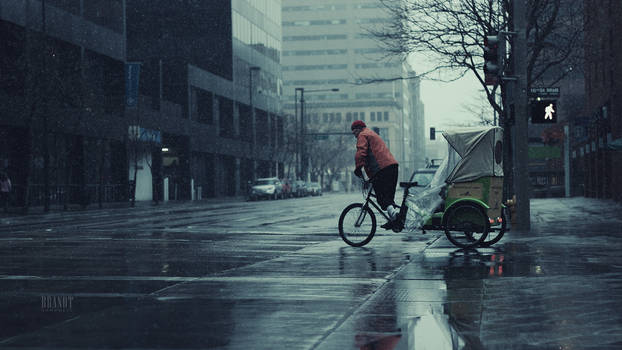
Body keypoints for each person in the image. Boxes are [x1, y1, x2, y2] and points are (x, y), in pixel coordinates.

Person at [351, 120, 400, 229]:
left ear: (359, 128)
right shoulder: (372, 134)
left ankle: (396, 217)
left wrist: (358, 168)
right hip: (392, 167)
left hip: (383, 169)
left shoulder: (363, 134)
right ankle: (395, 220)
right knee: (387, 199)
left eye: (354, 131)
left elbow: (361, 152)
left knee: (381, 197)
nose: (354, 134)